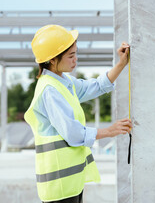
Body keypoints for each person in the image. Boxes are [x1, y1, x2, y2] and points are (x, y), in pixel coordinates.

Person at [24, 24, 132, 203]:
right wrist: (110, 130)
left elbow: (96, 86)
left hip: (69, 184)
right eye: (71, 55)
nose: (76, 60)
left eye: (76, 53)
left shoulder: (64, 83)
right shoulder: (50, 90)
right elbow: (73, 134)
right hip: (59, 187)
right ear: (52, 60)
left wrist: (121, 64)